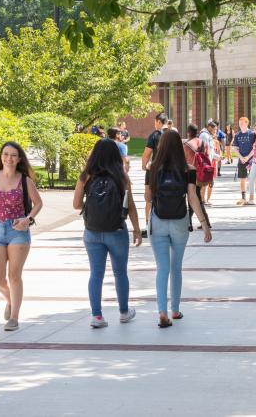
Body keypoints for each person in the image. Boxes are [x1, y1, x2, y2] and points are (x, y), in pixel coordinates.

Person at [0, 142, 43, 331]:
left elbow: (38, 203)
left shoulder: (25, 180)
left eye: (13, 155)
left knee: (14, 275)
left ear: (19, 159)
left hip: (17, 231)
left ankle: (14, 317)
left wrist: (28, 219)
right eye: (5, 154)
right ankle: (9, 299)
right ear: (1, 156)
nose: (8, 158)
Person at [72, 139, 142, 328]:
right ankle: (124, 312)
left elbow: (76, 205)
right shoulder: (122, 176)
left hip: (92, 232)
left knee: (96, 274)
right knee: (120, 273)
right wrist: (136, 229)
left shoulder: (86, 176)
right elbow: (131, 205)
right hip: (117, 231)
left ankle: (97, 316)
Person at [145, 131, 212, 328]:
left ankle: (162, 312)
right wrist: (204, 224)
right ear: (179, 146)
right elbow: (192, 198)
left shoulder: (152, 168)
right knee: (176, 267)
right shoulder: (188, 169)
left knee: (162, 268)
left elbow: (148, 198)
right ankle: (175, 310)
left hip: (158, 221)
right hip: (180, 222)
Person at [141, 112, 167, 236]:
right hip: (167, 172)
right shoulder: (170, 135)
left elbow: (146, 154)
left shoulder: (154, 135)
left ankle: (149, 226)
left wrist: (144, 166)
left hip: (153, 171)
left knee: (149, 198)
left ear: (158, 122)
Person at [183, 123, 211, 229]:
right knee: (196, 196)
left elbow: (183, 160)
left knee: (193, 197)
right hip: (202, 173)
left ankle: (191, 222)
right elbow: (208, 157)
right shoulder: (203, 143)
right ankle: (202, 221)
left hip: (190, 173)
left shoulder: (187, 145)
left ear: (188, 132)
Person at [233, 117, 256, 205]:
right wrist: (241, 157)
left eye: (242, 123)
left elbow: (255, 147)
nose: (240, 125)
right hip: (241, 160)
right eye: (239, 123)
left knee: (254, 178)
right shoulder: (237, 135)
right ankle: (243, 198)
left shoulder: (252, 134)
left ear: (247, 123)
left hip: (251, 159)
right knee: (242, 179)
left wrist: (248, 157)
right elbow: (235, 148)